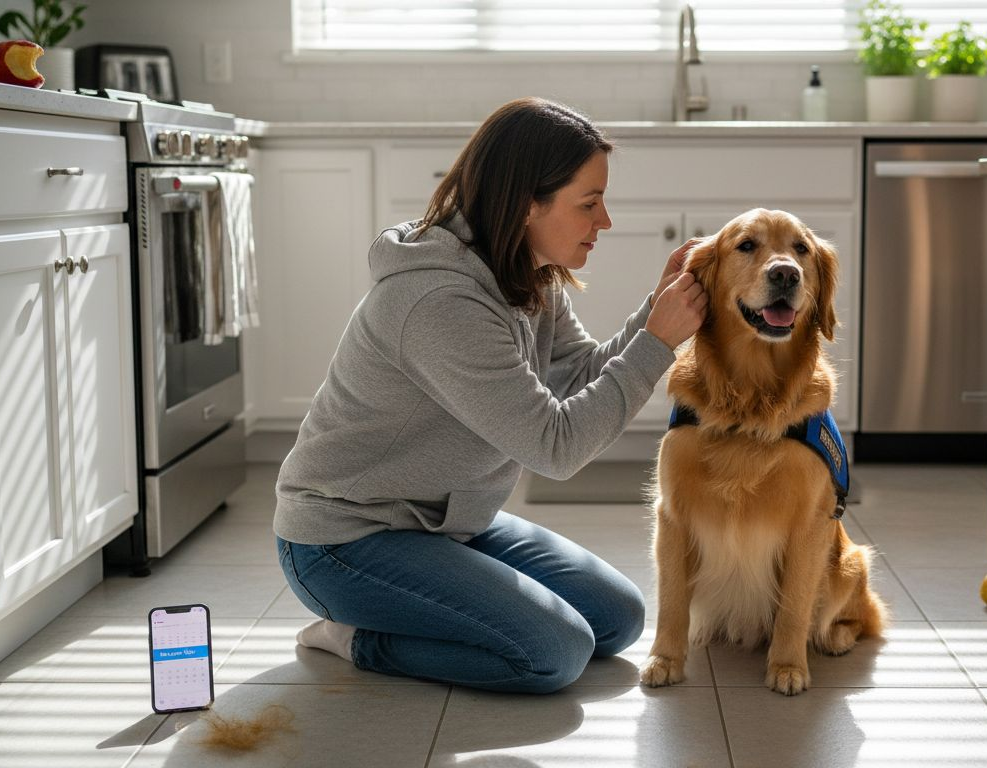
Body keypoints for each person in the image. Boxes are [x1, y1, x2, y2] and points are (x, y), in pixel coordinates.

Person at [272, 97, 708, 694]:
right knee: (555, 653)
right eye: (589, 203)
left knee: (619, 618)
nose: (604, 220)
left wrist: (652, 311)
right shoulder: (439, 304)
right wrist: (658, 342)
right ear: (530, 203)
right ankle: (352, 637)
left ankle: (441, 596)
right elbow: (556, 448)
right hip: (346, 540)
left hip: (449, 523)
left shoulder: (524, 270)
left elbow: (580, 372)